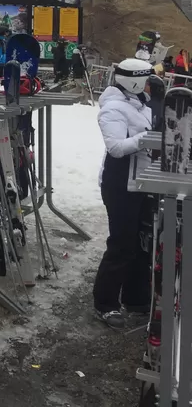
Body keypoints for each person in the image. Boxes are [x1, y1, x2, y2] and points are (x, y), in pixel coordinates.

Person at [93, 58, 155, 329]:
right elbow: (116, 147)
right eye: (147, 80)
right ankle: (105, 303)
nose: (150, 85)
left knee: (142, 243)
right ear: (135, 81)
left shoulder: (139, 105)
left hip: (141, 181)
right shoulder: (113, 108)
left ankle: (136, 297)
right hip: (120, 185)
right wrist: (150, 138)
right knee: (122, 244)